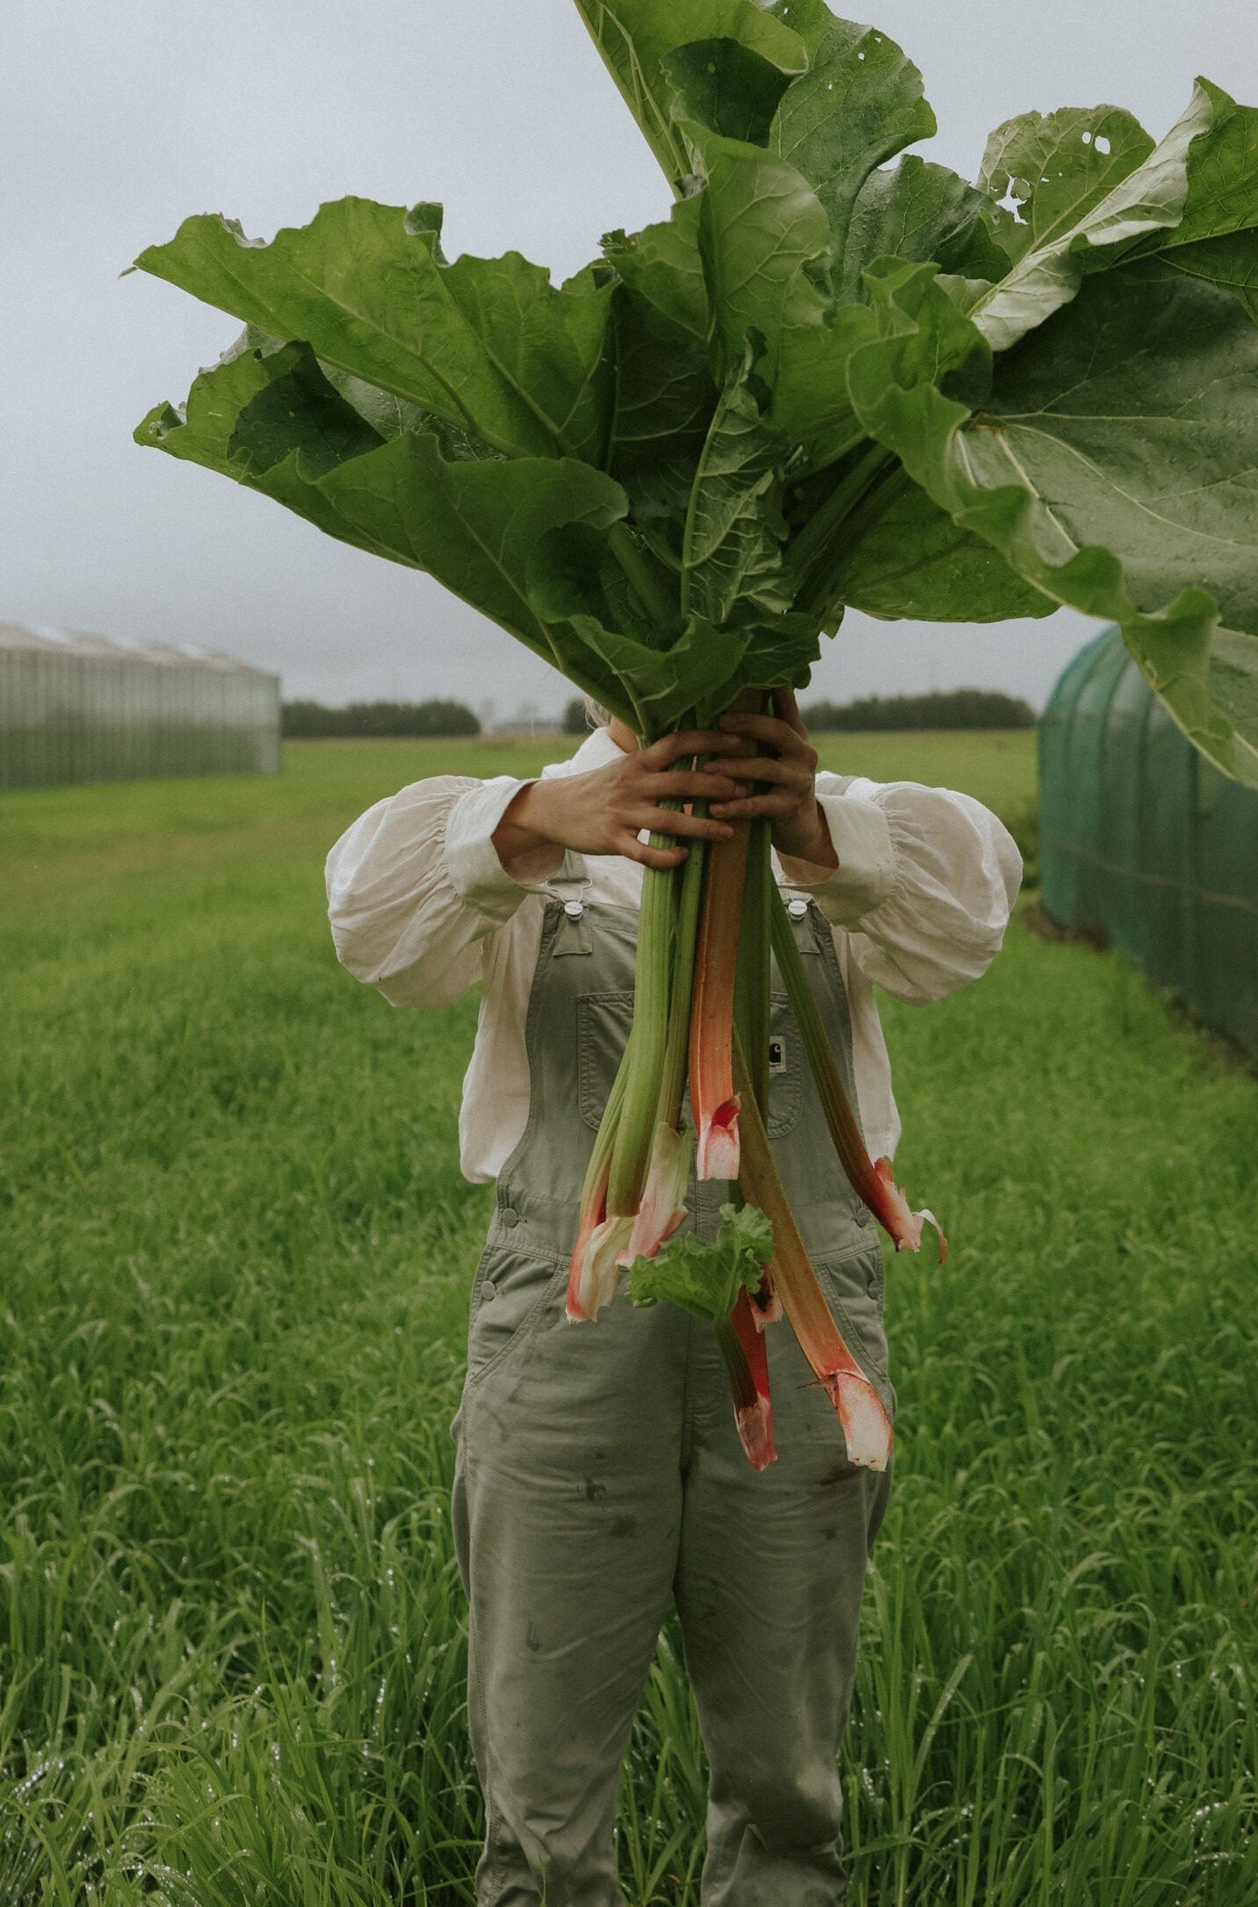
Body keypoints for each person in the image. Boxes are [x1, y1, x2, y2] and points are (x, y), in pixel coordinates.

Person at [325, 691, 1022, 1907]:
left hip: (797, 1330)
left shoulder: (837, 832)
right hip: (570, 1323)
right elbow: (369, 924)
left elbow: (968, 919)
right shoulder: (529, 841)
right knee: (540, 1789)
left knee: (787, 1782)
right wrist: (542, 814)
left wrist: (806, 820)